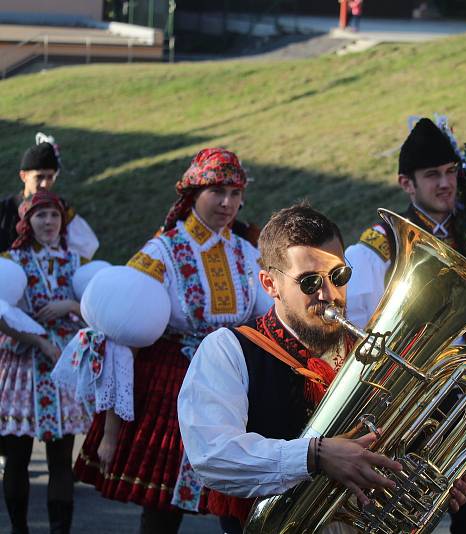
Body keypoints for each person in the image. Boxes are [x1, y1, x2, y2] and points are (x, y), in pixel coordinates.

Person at [178, 203, 466, 534]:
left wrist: (435, 475)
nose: (329, 294)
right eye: (309, 282)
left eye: (339, 276)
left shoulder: (370, 357)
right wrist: (314, 456)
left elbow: (395, 454)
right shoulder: (229, 350)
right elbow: (212, 455)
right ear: (269, 284)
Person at [72, 148, 273, 534]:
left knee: (238, 498)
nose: (228, 203)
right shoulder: (162, 251)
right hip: (172, 383)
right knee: (163, 506)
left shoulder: (246, 251)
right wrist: (112, 430)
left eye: (235, 193)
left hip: (232, 378)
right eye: (218, 191)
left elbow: (265, 314)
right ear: (193, 193)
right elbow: (123, 331)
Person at [344, 117, 466, 534]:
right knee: (402, 518)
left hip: (463, 400)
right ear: (406, 184)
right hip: (404, 404)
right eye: (432, 175)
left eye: (451, 172)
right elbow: (357, 331)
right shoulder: (378, 246)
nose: (445, 183)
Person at [0, 190, 93, 534]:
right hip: (23, 362)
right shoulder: (11, 261)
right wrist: (36, 338)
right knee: (18, 455)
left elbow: (98, 308)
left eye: (54, 215)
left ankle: (59, 531)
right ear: (27, 222)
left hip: (63, 366)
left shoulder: (74, 261)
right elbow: (1, 314)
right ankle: (19, 528)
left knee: (60, 458)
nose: (49, 222)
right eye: (41, 216)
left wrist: (69, 306)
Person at [0, 136, 99, 258]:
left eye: (50, 177)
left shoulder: (61, 208)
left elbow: (87, 246)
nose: (45, 184)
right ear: (23, 176)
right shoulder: (4, 209)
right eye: (39, 177)